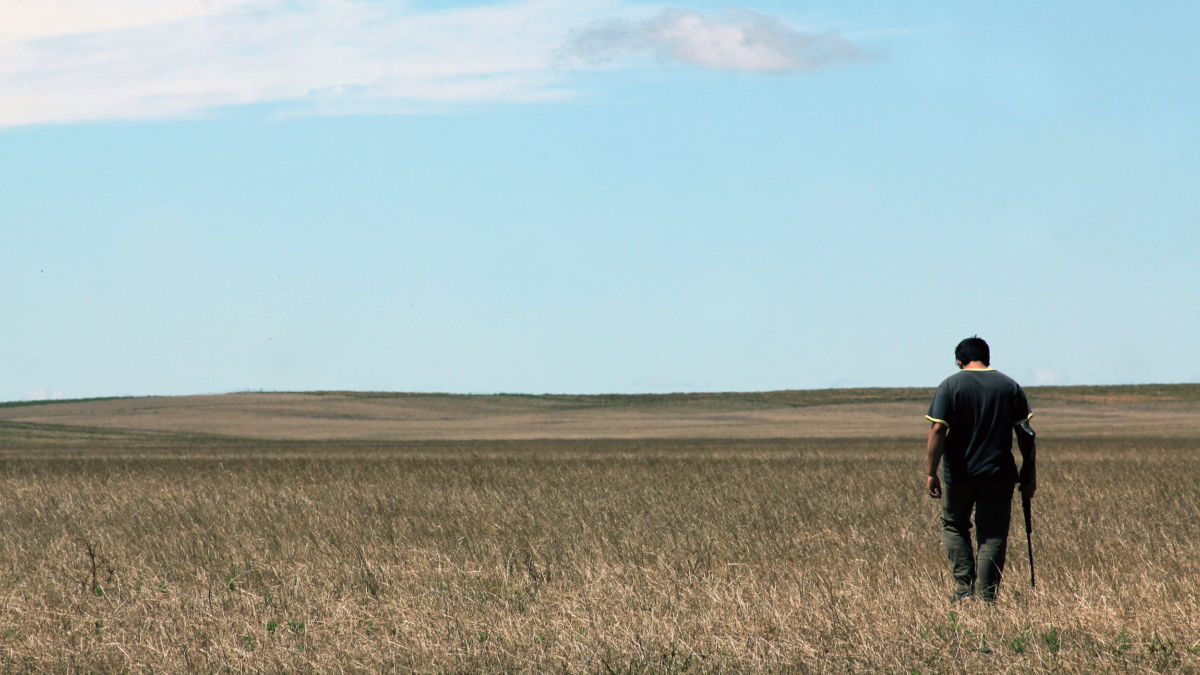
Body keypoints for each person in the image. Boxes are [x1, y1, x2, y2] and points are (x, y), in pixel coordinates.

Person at [925, 336, 1036, 602]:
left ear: (958, 361)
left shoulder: (950, 386)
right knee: (993, 534)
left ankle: (964, 590)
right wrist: (1029, 472)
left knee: (954, 525)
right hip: (999, 474)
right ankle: (987, 597)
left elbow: (938, 429)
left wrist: (931, 471)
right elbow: (1026, 434)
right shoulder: (1010, 386)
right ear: (987, 358)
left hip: (959, 474)